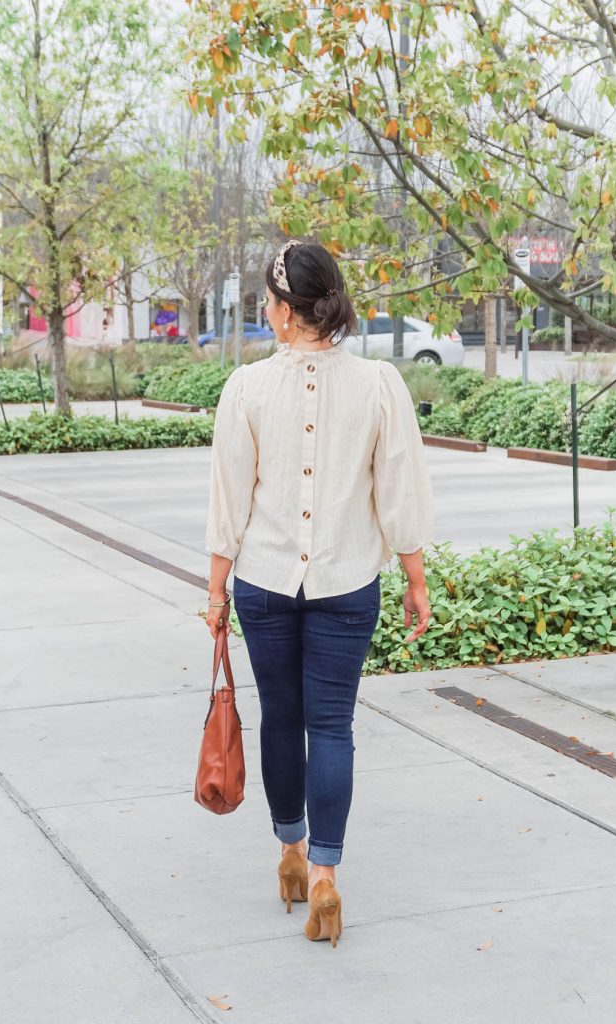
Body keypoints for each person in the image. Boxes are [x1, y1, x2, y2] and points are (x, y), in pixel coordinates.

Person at [204, 239, 434, 948]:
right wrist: (415, 577)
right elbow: (399, 489)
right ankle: (329, 875)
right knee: (332, 727)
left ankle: (291, 857)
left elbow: (227, 501)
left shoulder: (245, 388)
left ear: (279, 312)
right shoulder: (379, 385)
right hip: (347, 581)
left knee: (280, 720)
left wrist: (215, 594)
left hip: (266, 582)